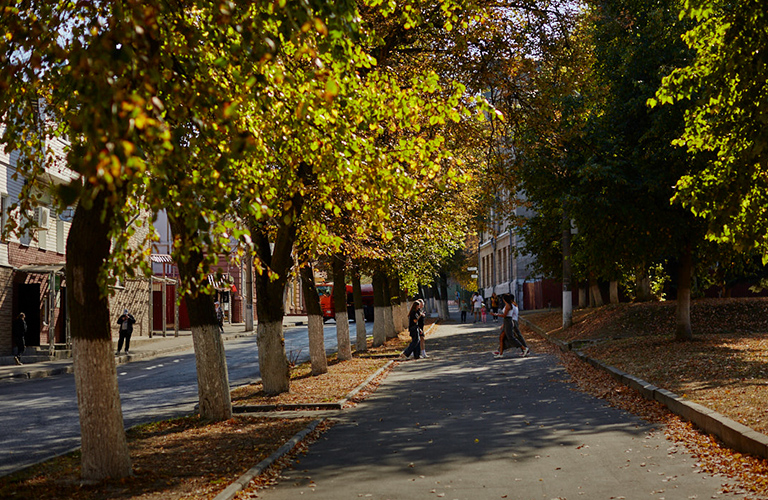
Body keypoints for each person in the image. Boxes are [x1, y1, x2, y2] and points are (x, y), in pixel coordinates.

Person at [492, 294, 530, 358]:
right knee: (504, 337)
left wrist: (496, 314)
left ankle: (525, 348)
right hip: (509, 321)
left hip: (512, 321)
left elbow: (508, 315)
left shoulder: (511, 305)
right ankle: (500, 351)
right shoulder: (512, 305)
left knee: (513, 337)